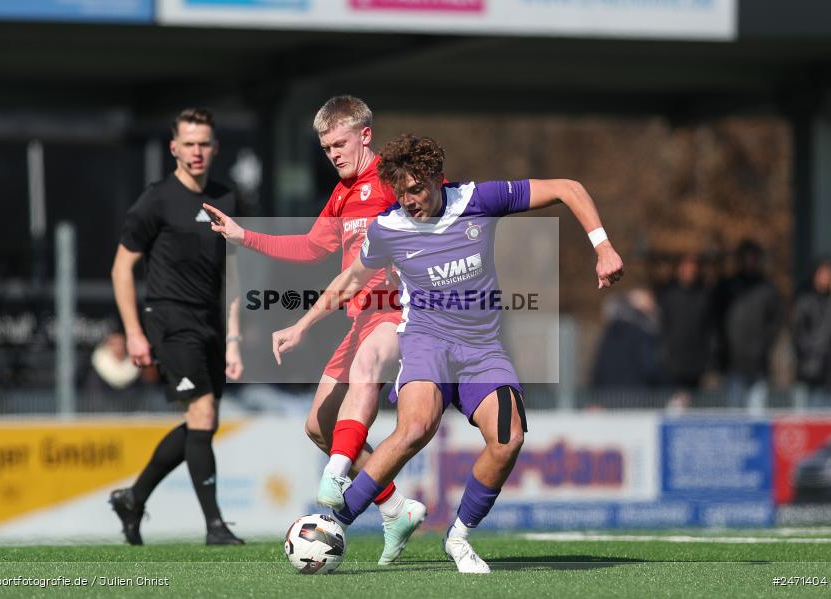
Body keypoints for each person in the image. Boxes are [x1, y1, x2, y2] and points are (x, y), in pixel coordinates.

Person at [271, 134, 624, 573]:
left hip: (482, 348)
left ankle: (458, 537)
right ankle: (334, 523)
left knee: (508, 439)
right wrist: (302, 325)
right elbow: (348, 281)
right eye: (401, 192)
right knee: (416, 426)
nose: (410, 201)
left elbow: (568, 187)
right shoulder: (388, 227)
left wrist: (602, 245)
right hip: (426, 339)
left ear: (439, 179)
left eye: (417, 189)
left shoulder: (477, 200)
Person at [205, 95, 421, 565]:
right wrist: (245, 236)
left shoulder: (394, 179)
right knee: (317, 424)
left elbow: (441, 209)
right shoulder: (343, 194)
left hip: (396, 312)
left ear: (365, 134)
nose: (333, 155)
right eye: (325, 148)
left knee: (364, 382)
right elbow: (310, 247)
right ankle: (396, 509)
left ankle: (338, 474)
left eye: (339, 144)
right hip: (358, 318)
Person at [109, 108, 244, 545]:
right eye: (189, 143)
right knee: (201, 413)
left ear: (215, 147)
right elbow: (121, 268)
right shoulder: (156, 199)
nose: (197, 151)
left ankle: (134, 497)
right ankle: (215, 527)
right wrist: (133, 332)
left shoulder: (228, 198)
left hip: (210, 323)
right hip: (169, 319)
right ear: (174, 148)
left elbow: (236, 273)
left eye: (204, 143)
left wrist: (235, 339)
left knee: (203, 422)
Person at [715, 239, 781, 412]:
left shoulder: (766, 288)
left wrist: (763, 346)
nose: (749, 261)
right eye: (746, 257)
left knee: (757, 415)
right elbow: (717, 322)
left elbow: (775, 322)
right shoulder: (727, 287)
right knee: (734, 416)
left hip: (758, 363)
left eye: (753, 257)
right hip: (733, 363)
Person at [656, 253, 714, 391]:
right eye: (686, 268)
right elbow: (661, 326)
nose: (689, 272)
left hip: (697, 366)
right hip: (671, 366)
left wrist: (708, 360)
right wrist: (663, 355)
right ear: (679, 270)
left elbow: (709, 330)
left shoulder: (704, 296)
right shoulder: (668, 295)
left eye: (693, 268)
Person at [592, 288, 664, 389]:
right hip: (637, 396)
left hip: (608, 395)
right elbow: (650, 369)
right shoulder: (643, 333)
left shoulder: (610, 331)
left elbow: (599, 367)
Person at [791, 259, 831, 408]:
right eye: (822, 273)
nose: (825, 278)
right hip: (810, 370)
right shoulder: (804, 300)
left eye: (828, 274)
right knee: (808, 416)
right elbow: (798, 333)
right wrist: (810, 353)